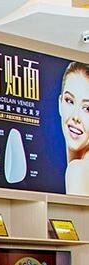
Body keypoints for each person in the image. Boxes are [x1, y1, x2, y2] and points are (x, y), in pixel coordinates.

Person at [60, 62, 89, 195]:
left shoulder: (77, 171)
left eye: (87, 108)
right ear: (60, 103)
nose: (76, 117)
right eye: (70, 101)